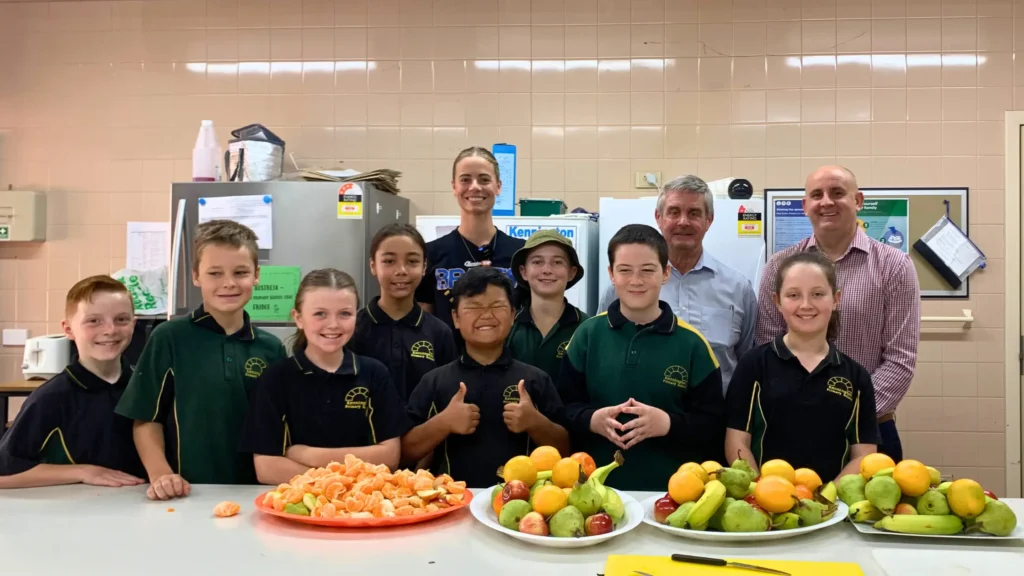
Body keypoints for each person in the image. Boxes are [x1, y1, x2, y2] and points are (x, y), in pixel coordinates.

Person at [756, 166, 919, 462]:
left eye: (837, 193)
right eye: (816, 195)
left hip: (871, 431)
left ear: (858, 201)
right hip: (789, 429)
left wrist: (851, 414)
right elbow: (766, 350)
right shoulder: (778, 267)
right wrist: (806, 411)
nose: (826, 202)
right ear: (805, 206)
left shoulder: (895, 266)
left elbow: (900, 359)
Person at [116, 220, 286, 500]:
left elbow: (279, 429)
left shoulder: (271, 348)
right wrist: (161, 475)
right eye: (215, 273)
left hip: (259, 493)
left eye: (240, 272)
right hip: (187, 492)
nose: (229, 283)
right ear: (196, 276)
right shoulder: (169, 337)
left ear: (256, 275)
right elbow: (145, 419)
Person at [559, 224, 726, 491]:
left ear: (666, 273)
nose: (636, 280)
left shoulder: (693, 344)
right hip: (592, 491)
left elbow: (714, 425)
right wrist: (591, 420)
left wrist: (668, 423)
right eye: (625, 270)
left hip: (674, 493)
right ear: (611, 274)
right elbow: (562, 408)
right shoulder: (587, 336)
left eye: (647, 270)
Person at [402, 267, 569, 488]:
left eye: (497, 306)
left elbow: (566, 450)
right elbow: (404, 453)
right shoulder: (434, 382)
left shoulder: (535, 380)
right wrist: (443, 423)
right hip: (450, 503)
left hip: (522, 506)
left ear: (512, 315)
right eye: (473, 307)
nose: (486, 315)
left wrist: (535, 422)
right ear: (456, 318)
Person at [242, 269, 411, 486]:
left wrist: (309, 455)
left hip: (360, 508)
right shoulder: (276, 378)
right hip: (295, 507)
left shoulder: (374, 374)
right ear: (298, 318)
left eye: (344, 314)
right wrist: (341, 479)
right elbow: (267, 469)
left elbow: (389, 458)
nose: (333, 324)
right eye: (320, 314)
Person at [597, 175, 756, 393]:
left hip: (715, 420)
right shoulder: (624, 287)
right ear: (658, 217)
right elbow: (601, 348)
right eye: (674, 212)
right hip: (639, 416)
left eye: (694, 213)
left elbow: (748, 364)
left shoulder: (739, 289)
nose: (683, 221)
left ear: (709, 220)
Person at [728, 252, 879, 481]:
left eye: (818, 294)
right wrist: (762, 492)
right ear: (777, 301)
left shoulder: (857, 377)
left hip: (832, 506)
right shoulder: (753, 365)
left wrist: (826, 499)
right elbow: (736, 442)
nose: (806, 305)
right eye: (793, 295)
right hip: (766, 504)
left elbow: (864, 455)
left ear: (836, 299)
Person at [0, 276, 145, 489]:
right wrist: (84, 471)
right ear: (68, 329)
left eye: (121, 319)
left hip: (143, 508)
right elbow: (4, 473)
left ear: (134, 324)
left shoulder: (145, 386)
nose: (110, 330)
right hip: (74, 514)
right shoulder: (51, 398)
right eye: (94, 321)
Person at [415, 147, 526, 333]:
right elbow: (424, 327)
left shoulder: (521, 253)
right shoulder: (431, 254)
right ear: (454, 187)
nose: (475, 187)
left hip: (510, 359)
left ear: (498, 186)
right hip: (449, 360)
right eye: (465, 179)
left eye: (484, 179)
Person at [349, 224, 457, 403]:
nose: (401, 271)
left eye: (412, 261)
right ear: (373, 266)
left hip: (427, 430)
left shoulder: (439, 332)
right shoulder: (354, 328)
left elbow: (446, 396)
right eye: (389, 261)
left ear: (424, 267)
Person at [506, 229, 589, 380]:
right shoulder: (507, 326)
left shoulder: (587, 328)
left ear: (572, 272)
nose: (547, 270)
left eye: (557, 262)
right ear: (523, 271)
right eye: (537, 262)